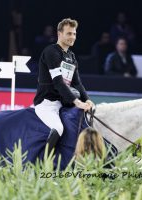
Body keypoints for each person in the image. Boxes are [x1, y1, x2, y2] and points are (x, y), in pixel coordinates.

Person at [33, 18, 95, 154]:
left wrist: (87, 99)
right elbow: (58, 82)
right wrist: (77, 102)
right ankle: (44, 163)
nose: (72, 37)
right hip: (47, 103)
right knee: (58, 128)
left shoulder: (71, 56)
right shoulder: (51, 51)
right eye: (68, 33)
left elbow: (77, 83)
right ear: (59, 34)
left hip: (63, 103)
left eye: (74, 34)